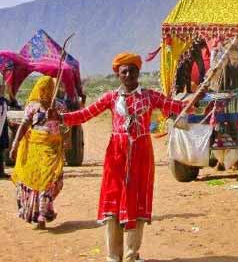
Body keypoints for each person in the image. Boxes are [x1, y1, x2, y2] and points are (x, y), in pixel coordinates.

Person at [62, 53, 188, 262]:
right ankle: (113, 256)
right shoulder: (111, 98)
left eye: (133, 70)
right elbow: (85, 115)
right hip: (115, 156)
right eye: (124, 71)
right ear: (118, 75)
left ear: (139, 72)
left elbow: (176, 107)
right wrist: (62, 117)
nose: (129, 75)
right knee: (112, 202)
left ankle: (131, 255)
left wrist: (196, 101)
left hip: (141, 155)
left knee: (137, 202)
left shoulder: (150, 96)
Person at [10, 76, 65, 229]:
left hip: (51, 151)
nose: (43, 93)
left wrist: (62, 139)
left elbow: (67, 126)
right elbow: (24, 125)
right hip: (34, 149)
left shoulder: (59, 107)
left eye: (46, 90)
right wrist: (15, 144)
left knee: (50, 182)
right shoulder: (32, 107)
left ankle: (43, 213)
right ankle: (38, 216)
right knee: (33, 182)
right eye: (41, 90)